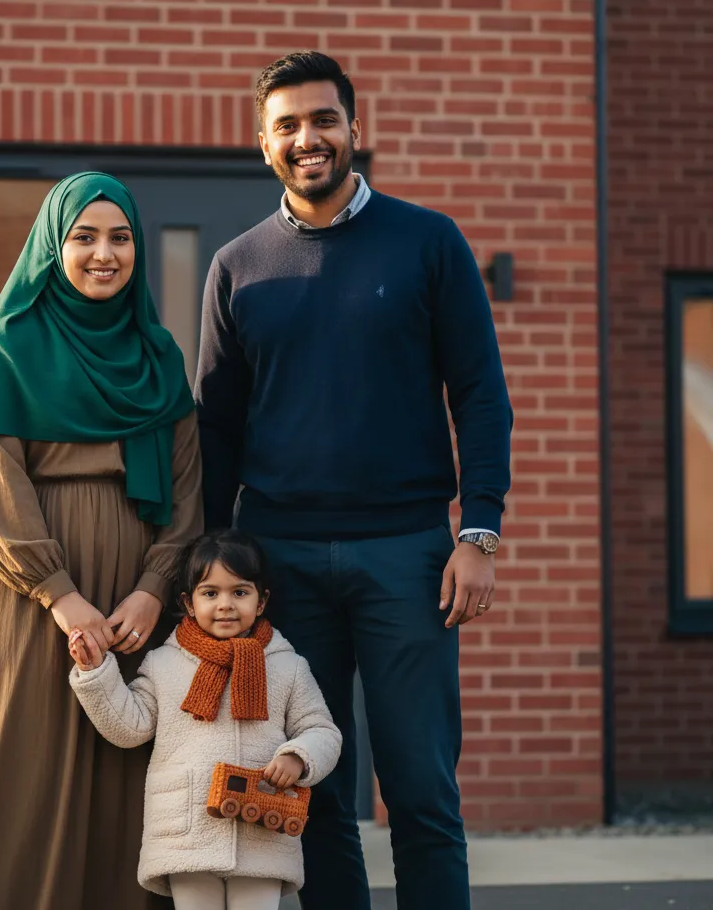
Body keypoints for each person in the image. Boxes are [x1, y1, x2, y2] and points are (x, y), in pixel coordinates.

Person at [194, 52, 514, 910]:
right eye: (288, 125)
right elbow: (215, 432)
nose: (309, 139)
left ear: (354, 130)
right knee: (312, 794)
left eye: (324, 120)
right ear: (263, 144)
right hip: (282, 563)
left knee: (419, 792)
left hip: (408, 555)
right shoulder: (237, 266)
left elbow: (481, 396)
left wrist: (477, 532)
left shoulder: (428, 241)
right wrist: (210, 573)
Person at [0, 172, 202, 910]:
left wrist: (154, 588)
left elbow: (187, 494)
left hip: (133, 605)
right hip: (28, 601)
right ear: (54, 246)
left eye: (119, 238)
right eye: (84, 237)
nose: (103, 254)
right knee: (19, 770)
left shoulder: (159, 359)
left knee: (122, 776)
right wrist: (60, 596)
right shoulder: (9, 346)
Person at [68, 529, 342, 910]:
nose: (225, 604)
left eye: (240, 592)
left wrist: (298, 756)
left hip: (261, 828)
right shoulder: (164, 664)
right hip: (187, 830)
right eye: (210, 593)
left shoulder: (288, 667)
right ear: (188, 602)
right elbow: (130, 728)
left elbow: (322, 729)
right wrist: (95, 671)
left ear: (262, 602)